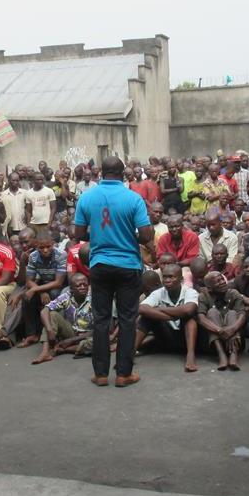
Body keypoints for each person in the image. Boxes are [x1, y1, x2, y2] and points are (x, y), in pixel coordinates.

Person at [73, 155, 153, 387]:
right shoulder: (133, 198)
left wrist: (100, 233)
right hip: (128, 265)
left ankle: (100, 374)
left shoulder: (87, 197)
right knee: (127, 320)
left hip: (99, 264)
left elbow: (79, 234)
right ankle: (123, 374)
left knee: (101, 319)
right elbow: (146, 236)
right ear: (122, 173)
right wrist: (129, 234)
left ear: (100, 172)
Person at [137, 263, 200, 372]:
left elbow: (188, 309)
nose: (167, 280)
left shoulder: (190, 292)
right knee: (146, 317)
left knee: (189, 317)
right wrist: (171, 317)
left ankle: (190, 355)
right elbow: (141, 308)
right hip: (167, 335)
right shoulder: (158, 293)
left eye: (171, 277)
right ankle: (129, 353)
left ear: (181, 279)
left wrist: (159, 309)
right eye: (165, 277)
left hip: (186, 337)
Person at [31, 272, 95, 364]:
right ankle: (45, 352)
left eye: (85, 285)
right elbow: (45, 310)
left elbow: (100, 328)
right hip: (71, 332)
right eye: (78, 285)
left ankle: (64, 349)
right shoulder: (67, 296)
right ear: (71, 289)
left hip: (88, 335)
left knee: (100, 342)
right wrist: (49, 330)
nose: (82, 287)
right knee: (52, 314)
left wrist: (71, 341)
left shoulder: (94, 299)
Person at [197, 271, 247, 371]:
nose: (223, 282)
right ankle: (221, 354)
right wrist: (219, 330)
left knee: (232, 313)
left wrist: (232, 329)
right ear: (209, 288)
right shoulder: (203, 296)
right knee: (212, 312)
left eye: (222, 279)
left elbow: (242, 314)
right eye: (218, 281)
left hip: (234, 338)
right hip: (214, 342)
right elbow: (201, 318)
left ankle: (233, 354)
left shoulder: (233, 293)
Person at [25, 172, 56, 240]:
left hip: (46, 223)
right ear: (33, 180)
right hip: (34, 223)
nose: (40, 181)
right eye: (38, 180)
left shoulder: (49, 191)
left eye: (42, 179)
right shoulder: (28, 193)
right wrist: (29, 224)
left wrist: (49, 223)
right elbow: (28, 210)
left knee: (45, 242)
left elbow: (53, 208)